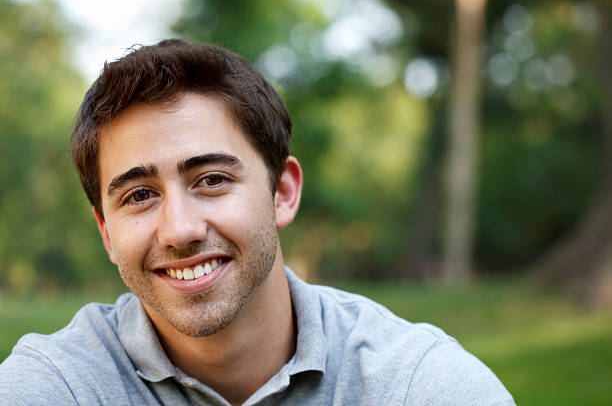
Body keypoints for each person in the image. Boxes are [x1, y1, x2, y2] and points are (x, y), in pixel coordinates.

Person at [0, 39, 515, 405]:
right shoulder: (58, 386)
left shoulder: (415, 385)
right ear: (107, 233)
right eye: (139, 195)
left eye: (212, 180)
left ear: (282, 193)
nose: (180, 230)